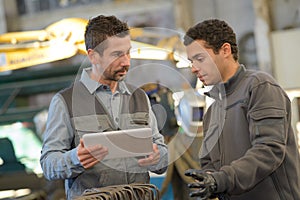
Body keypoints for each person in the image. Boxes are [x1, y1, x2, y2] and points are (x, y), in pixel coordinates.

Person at [40, 15, 168, 200]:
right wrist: (75, 158)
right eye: (117, 54)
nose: (127, 62)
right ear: (93, 56)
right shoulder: (65, 102)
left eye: (128, 52)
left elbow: (161, 152)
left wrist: (157, 158)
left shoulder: (139, 97)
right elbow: (48, 164)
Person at [183, 19, 300, 199]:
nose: (194, 69)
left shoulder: (259, 87)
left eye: (200, 59)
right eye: (192, 61)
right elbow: (208, 165)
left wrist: (220, 180)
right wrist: (208, 180)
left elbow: (269, 150)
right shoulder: (212, 112)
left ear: (225, 50)